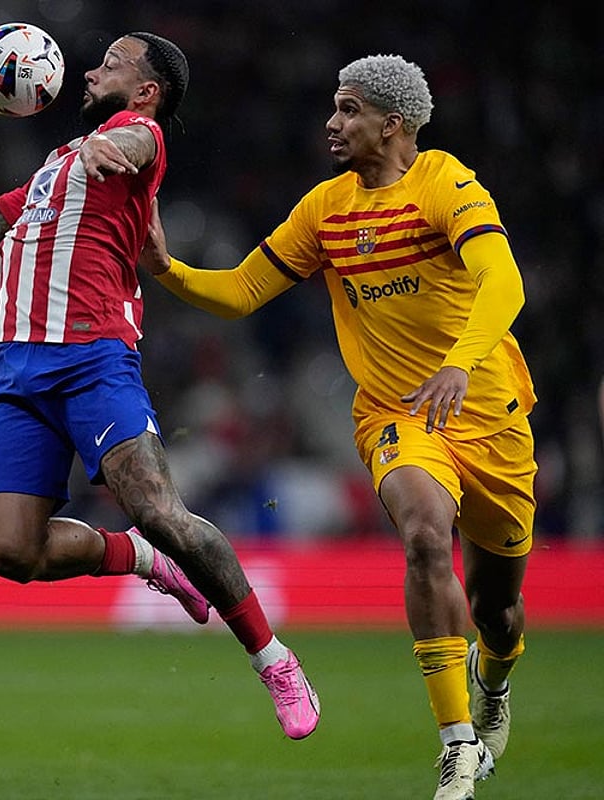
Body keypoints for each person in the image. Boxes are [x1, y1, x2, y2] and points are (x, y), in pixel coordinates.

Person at [0, 32, 320, 742]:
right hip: (17, 372)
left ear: (145, 91)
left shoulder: (135, 136)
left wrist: (110, 149)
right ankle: (141, 562)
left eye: (111, 64)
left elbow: (137, 146)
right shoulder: (51, 169)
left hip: (93, 358)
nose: (89, 69)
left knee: (162, 512)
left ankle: (273, 658)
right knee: (9, 553)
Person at [138, 54, 533, 800]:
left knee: (499, 611)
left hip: (488, 412)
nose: (333, 121)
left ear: (394, 124)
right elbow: (243, 291)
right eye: (333, 106)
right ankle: (456, 745)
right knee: (422, 532)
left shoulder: (444, 181)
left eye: (350, 109)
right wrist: (167, 269)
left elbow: (502, 277)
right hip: (396, 414)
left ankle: (497, 679)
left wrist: (460, 362)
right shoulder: (324, 207)